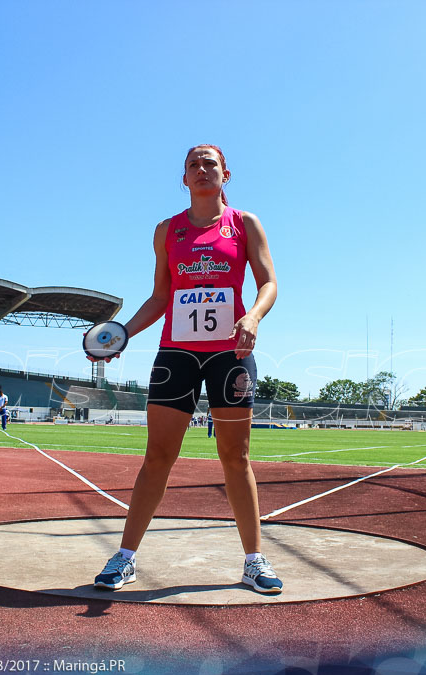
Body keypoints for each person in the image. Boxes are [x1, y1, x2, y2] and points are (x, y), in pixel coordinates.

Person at [87, 144, 282, 593]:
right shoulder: (166, 231)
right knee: (158, 456)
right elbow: (160, 296)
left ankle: (254, 560)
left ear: (225, 174)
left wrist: (252, 317)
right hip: (177, 354)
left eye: (209, 163)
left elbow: (269, 282)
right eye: (193, 164)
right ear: (184, 178)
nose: (201, 170)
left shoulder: (244, 224)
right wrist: (123, 334)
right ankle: (125, 557)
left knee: (236, 457)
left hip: (229, 354)